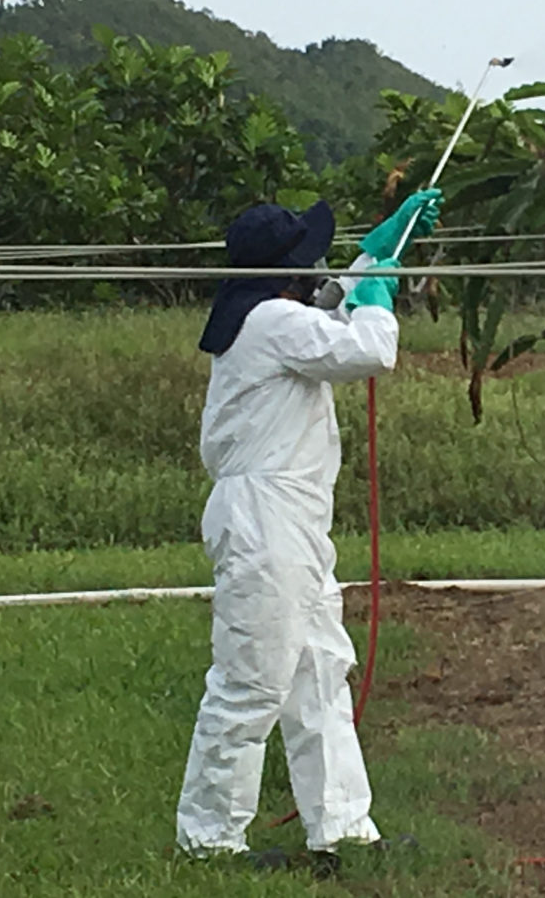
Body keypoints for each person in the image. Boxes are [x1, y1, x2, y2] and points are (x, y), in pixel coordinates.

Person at [175, 189, 440, 871]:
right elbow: (364, 351)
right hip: (266, 523)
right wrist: (378, 297)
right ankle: (209, 842)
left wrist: (376, 251)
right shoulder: (269, 322)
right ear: (285, 274)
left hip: (289, 521)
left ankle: (343, 829)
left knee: (320, 671)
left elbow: (327, 311)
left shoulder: (265, 315)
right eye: (308, 261)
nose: (316, 269)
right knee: (252, 678)